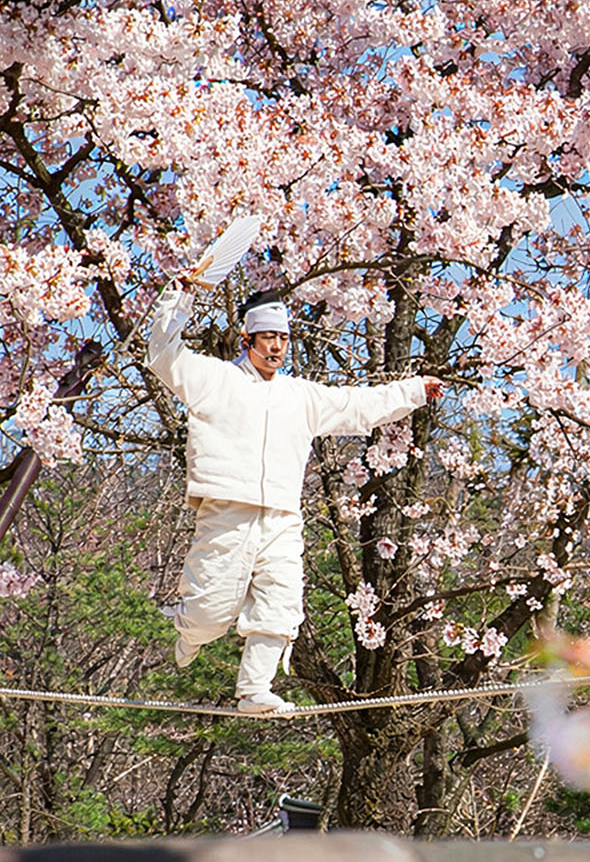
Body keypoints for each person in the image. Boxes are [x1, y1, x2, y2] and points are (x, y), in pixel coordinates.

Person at [148, 218, 440, 714]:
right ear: (247, 338)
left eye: (283, 338)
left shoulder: (299, 396)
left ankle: (254, 691)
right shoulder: (213, 379)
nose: (277, 347)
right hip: (229, 508)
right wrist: (178, 299)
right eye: (267, 338)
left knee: (282, 608)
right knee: (211, 613)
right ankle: (190, 629)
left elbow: (357, 406)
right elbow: (162, 353)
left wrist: (413, 391)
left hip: (282, 516)